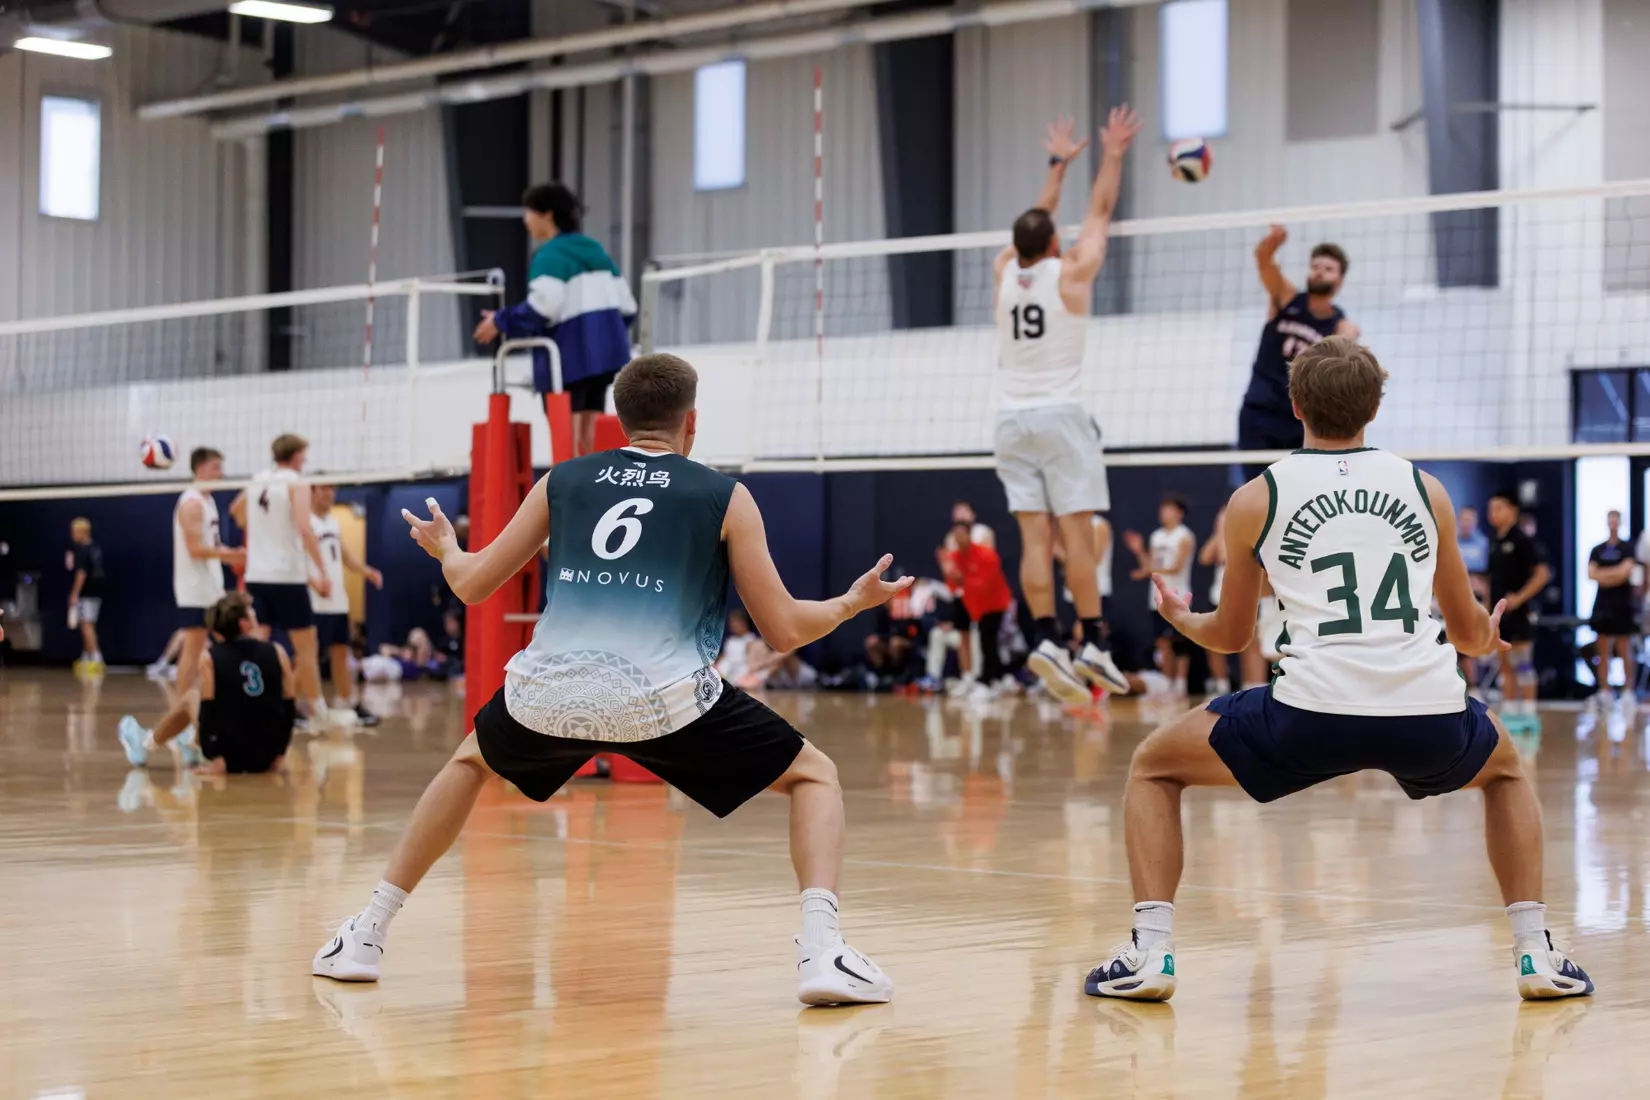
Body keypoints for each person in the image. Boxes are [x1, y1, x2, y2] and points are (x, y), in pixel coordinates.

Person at [313, 353, 908, 1006]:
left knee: (469, 762)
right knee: (814, 776)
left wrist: (447, 548)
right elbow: (785, 630)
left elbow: (473, 585)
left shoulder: (562, 480)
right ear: (691, 422)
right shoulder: (726, 497)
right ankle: (822, 952)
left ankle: (366, 934)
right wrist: (851, 603)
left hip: (547, 692)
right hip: (664, 700)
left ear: (621, 420)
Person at [1084, 336, 1590, 1004]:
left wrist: (1182, 620)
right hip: (1428, 714)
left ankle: (1151, 953)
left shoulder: (1254, 498)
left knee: (1154, 766)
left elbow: (1231, 637)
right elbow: (1469, 635)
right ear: (1374, 408)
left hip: (1310, 715)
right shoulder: (1427, 489)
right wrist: (1487, 630)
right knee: (1505, 772)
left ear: (1295, 405)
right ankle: (1535, 954)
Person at [989, 108, 1139, 705]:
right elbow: (1099, 211)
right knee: (1078, 535)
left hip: (1009, 420)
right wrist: (1113, 152)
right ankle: (1094, 643)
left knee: (1034, 538)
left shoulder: (1003, 271)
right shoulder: (1073, 272)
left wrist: (1056, 166)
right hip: (1061, 416)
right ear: (1054, 242)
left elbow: (1034, 223)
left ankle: (1048, 640)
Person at [473, 182, 637, 457]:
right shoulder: (596, 250)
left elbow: (543, 307)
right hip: (605, 360)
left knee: (568, 446)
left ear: (547, 215)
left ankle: (572, 487)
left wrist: (501, 320)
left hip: (567, 362)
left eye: (528, 212)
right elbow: (628, 308)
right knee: (590, 441)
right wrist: (601, 336)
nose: (525, 220)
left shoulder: (550, 255)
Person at [118, 592, 296, 774]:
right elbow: (289, 707)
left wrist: (216, 758)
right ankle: (188, 742)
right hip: (267, 756)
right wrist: (279, 754)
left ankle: (150, 744)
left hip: (230, 756)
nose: (254, 612)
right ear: (243, 623)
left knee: (192, 696)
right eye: (250, 611)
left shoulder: (210, 657)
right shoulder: (278, 652)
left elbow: (207, 711)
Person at [232, 433, 330, 726]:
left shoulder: (257, 480)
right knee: (307, 648)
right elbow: (304, 527)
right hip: (287, 577)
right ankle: (319, 713)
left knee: (255, 644)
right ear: (297, 455)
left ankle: (245, 706)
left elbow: (236, 513)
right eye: (304, 454)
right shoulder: (297, 482)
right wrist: (322, 571)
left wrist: (262, 529)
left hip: (257, 575)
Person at [1240, 226, 1358, 459]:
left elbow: (1342, 361)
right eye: (1315, 266)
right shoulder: (1286, 298)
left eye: (1328, 269)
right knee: (1256, 481)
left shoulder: (1340, 327)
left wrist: (1350, 340)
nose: (1319, 272)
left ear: (1339, 281)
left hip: (1300, 419)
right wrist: (1271, 243)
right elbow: (1263, 259)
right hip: (1260, 411)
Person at [309, 484, 384, 726]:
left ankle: (347, 702)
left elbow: (344, 555)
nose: (329, 493)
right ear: (312, 493)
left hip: (337, 601)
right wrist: (313, 582)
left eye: (332, 489)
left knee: (341, 653)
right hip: (315, 602)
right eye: (323, 489)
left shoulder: (332, 522)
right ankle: (299, 706)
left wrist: (367, 571)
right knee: (307, 657)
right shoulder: (305, 522)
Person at [172, 447, 244, 696]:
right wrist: (230, 555)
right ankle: (182, 707)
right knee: (193, 649)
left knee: (225, 642)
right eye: (216, 467)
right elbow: (195, 549)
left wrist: (232, 554)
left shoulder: (208, 501)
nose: (220, 473)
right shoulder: (192, 503)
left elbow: (212, 545)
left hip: (211, 587)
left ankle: (217, 698)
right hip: (194, 588)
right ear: (200, 468)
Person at [1486, 491, 1550, 733]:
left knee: (1522, 663)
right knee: (1504, 664)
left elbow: (1542, 574)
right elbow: (1491, 579)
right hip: (1500, 614)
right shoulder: (1494, 541)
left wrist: (1519, 597)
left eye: (1498, 508)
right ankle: (1510, 711)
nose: (1493, 514)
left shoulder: (1523, 539)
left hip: (1521, 613)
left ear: (1512, 510)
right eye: (1491, 509)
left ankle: (1529, 712)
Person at [1126, 496, 1196, 696]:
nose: (1164, 513)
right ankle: (1167, 681)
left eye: (1169, 509)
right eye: (1163, 509)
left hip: (1178, 595)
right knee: (1162, 641)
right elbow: (1149, 566)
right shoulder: (1156, 536)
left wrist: (1151, 569)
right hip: (1157, 597)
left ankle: (1181, 682)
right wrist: (1139, 551)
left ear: (1179, 513)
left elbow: (1177, 566)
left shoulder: (1184, 536)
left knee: (1180, 641)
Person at [944, 520, 1016, 699]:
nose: (959, 538)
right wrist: (952, 577)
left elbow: (985, 584)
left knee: (988, 642)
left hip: (995, 604)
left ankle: (988, 681)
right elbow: (953, 585)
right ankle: (998, 678)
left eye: (962, 534)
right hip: (976, 606)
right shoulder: (954, 558)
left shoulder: (986, 555)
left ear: (969, 535)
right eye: (956, 534)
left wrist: (963, 579)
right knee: (983, 642)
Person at [1587, 510, 1636, 707]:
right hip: (1602, 604)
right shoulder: (1597, 549)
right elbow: (1591, 574)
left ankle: (1628, 691)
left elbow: (1625, 572)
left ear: (1620, 523)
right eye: (1610, 521)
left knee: (1624, 648)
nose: (1613, 524)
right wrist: (1613, 575)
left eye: (1616, 521)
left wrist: (1605, 575)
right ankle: (1605, 691)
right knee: (1602, 650)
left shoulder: (1627, 548)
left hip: (1622, 604)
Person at [1198, 505, 1232, 695]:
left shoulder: (1246, 535)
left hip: (1244, 591)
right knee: (1215, 640)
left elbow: (1226, 558)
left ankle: (1253, 684)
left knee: (1251, 644)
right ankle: (1221, 683)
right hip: (1218, 593)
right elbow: (1204, 558)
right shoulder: (1219, 538)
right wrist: (1218, 533)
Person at [66, 517, 105, 676]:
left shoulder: (82, 551)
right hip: (97, 592)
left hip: (86, 593)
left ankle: (95, 656)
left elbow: (81, 574)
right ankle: (87, 655)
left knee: (86, 625)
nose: (73, 535)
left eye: (74, 532)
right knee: (88, 624)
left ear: (82, 532)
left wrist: (74, 593)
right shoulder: (95, 549)